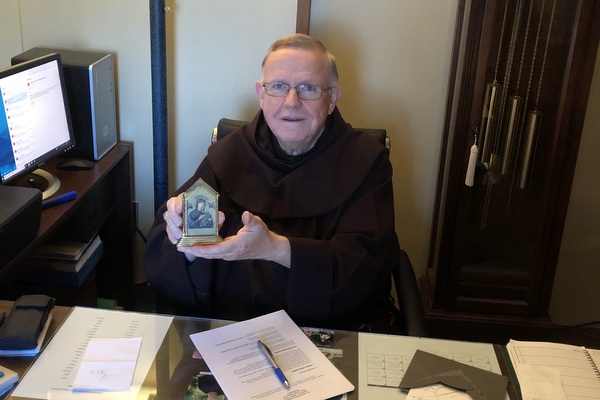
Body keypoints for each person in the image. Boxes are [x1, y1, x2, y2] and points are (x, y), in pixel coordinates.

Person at [144, 33, 400, 331]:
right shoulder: (229, 154)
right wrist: (187, 241)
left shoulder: (366, 162)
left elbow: (365, 269)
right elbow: (163, 255)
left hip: (324, 332)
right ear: (261, 94)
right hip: (228, 331)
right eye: (278, 86)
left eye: (308, 88)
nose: (291, 102)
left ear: (332, 99)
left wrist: (276, 249)